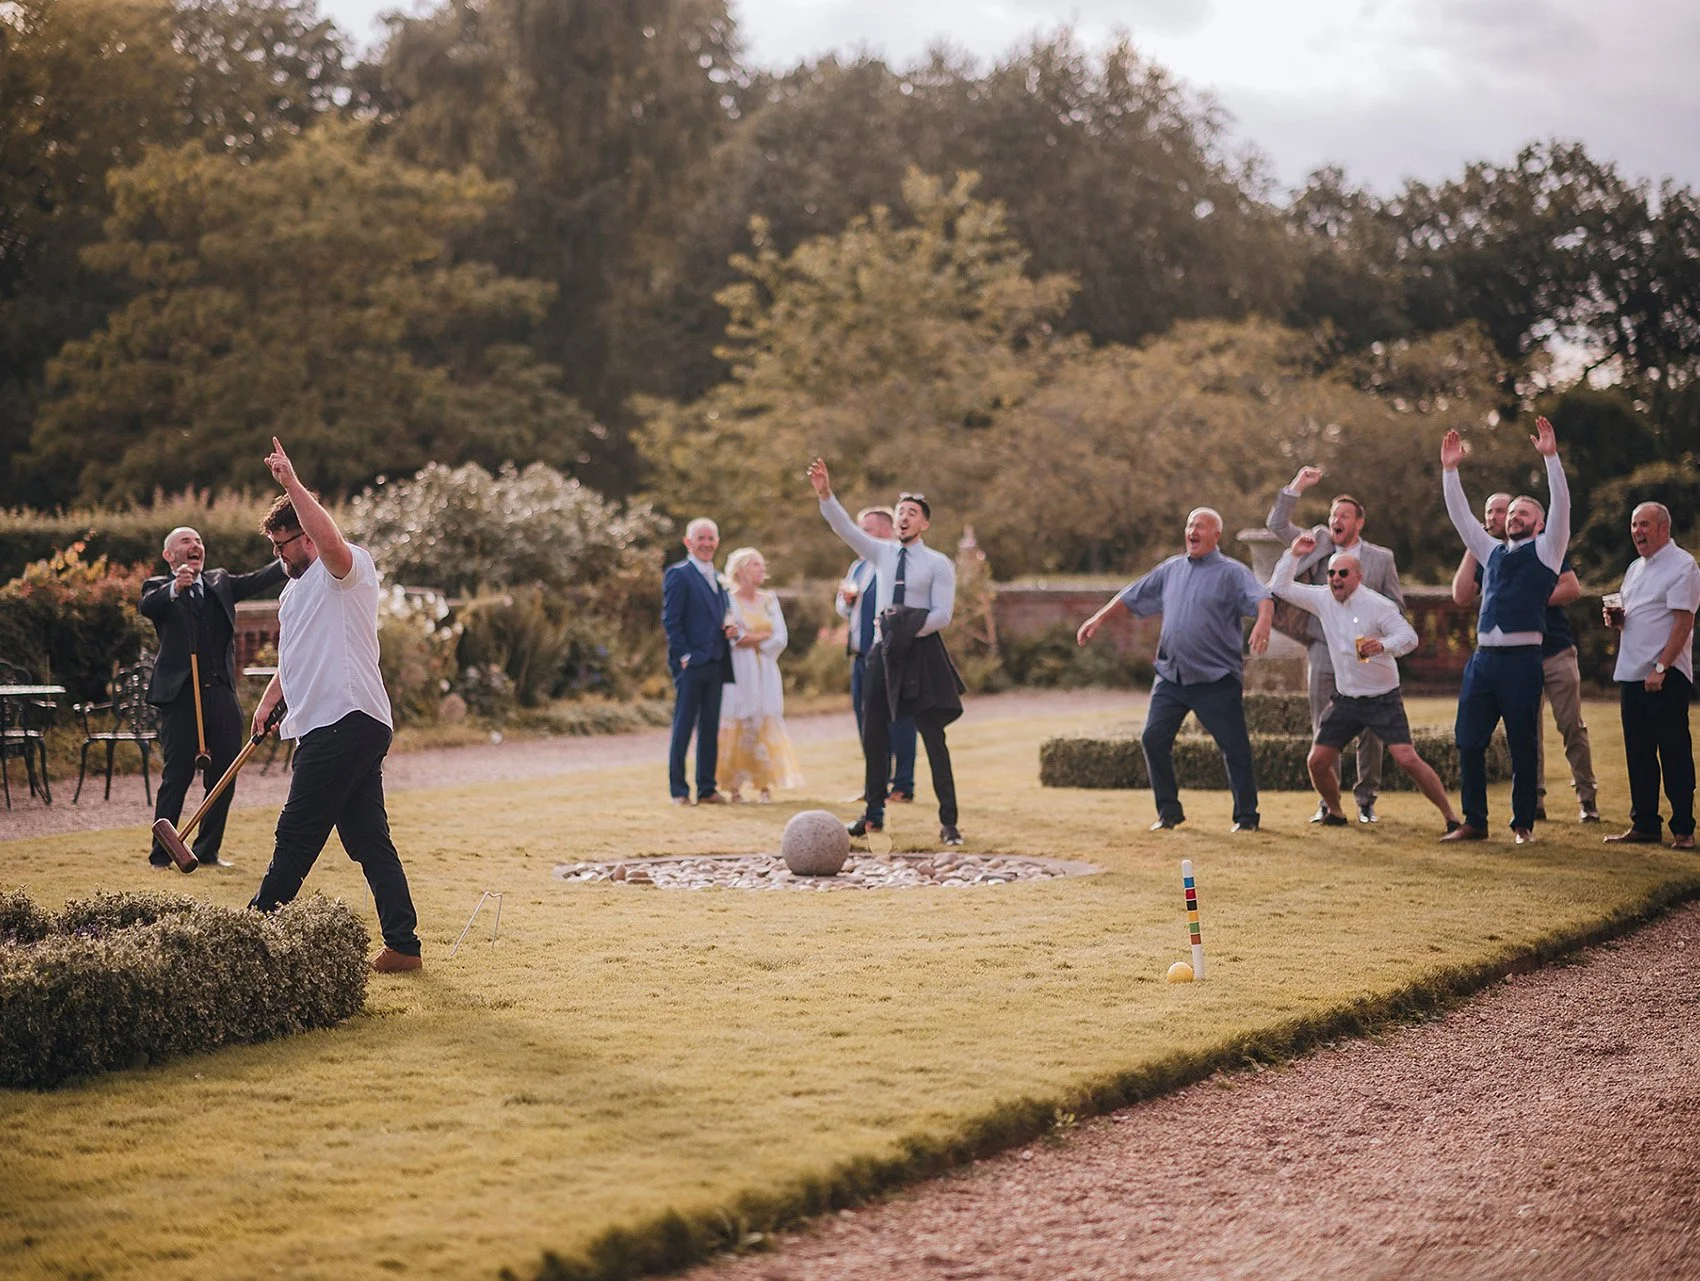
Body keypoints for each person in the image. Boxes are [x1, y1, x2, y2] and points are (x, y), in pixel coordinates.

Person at [247, 438, 422, 974]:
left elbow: (330, 542)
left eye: (287, 544)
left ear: (308, 532)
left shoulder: (345, 568)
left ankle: (249, 936)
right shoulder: (294, 591)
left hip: (344, 719)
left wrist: (292, 485)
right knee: (368, 838)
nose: (282, 556)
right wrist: (272, 698)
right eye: (275, 547)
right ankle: (403, 946)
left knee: (296, 833)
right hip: (333, 721)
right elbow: (298, 652)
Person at [1077, 508, 1274, 833]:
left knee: (1234, 747)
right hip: (1171, 676)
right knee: (1153, 738)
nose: (1192, 530)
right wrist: (1098, 619)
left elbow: (1263, 598)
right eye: (1189, 525)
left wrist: (1263, 625)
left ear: (1216, 536)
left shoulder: (1231, 572)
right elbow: (1132, 595)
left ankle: (1247, 817)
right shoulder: (1171, 569)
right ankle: (1169, 813)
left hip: (1215, 679)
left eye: (1201, 526)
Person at [807, 459, 965, 846]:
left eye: (912, 513)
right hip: (881, 655)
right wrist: (826, 493)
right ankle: (872, 814)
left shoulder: (938, 563)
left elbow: (942, 615)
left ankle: (949, 823)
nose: (904, 518)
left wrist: (904, 630)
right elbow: (842, 526)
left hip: (920, 654)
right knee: (874, 733)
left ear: (924, 523)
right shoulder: (880, 553)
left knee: (933, 737)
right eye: (900, 513)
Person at [1273, 533, 1464, 835]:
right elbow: (1280, 587)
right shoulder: (1322, 598)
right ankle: (1335, 811)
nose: (1335, 578)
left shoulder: (1379, 606)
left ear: (1358, 577)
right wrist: (1293, 554)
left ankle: (1452, 818)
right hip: (1346, 700)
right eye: (1332, 573)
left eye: (1343, 573)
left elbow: (1410, 638)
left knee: (1407, 759)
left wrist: (1384, 646)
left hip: (1382, 698)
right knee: (1317, 762)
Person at [1439, 416, 1569, 845]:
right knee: (1468, 740)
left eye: (1523, 513)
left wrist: (1551, 459)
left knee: (1522, 743)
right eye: (1511, 512)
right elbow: (1460, 517)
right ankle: (1475, 821)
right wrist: (1450, 470)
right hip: (1484, 661)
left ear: (1540, 522)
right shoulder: (1490, 550)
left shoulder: (1549, 551)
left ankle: (1522, 824)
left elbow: (1562, 504)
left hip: (1522, 661)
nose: (1513, 517)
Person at [1266, 468, 1405, 824]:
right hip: (1323, 647)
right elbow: (1277, 524)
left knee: (1371, 732)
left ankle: (1366, 800)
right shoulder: (1320, 543)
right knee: (1324, 725)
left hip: (1365, 655)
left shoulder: (1380, 558)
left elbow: (1396, 605)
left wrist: (1382, 639)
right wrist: (1298, 484)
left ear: (1359, 521)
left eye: (1343, 515)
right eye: (1332, 515)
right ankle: (1329, 803)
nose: (1335, 520)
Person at [140, 527, 285, 868]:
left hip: (220, 692)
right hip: (180, 697)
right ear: (169, 555)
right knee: (176, 775)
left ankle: (207, 851)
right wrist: (176, 587)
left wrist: (295, 551)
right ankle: (162, 853)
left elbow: (260, 578)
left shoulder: (220, 581)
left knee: (224, 772)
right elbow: (148, 605)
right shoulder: (157, 587)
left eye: (199, 541)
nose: (196, 546)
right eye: (186, 541)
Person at [1452, 491, 1599, 823]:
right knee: (1527, 733)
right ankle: (1534, 803)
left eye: (1503, 510)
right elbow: (1461, 595)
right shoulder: (1492, 555)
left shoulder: (1545, 549)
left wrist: (1529, 600)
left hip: (1554, 649)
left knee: (1570, 726)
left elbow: (1572, 588)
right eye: (1491, 512)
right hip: (1506, 660)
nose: (1497, 516)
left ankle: (1587, 798)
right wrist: (1472, 544)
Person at [1602, 502, 1700, 850]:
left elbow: (1684, 622)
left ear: (1664, 529)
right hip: (1631, 674)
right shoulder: (1634, 568)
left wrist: (1661, 668)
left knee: (1673, 752)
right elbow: (1639, 616)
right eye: (1633, 525)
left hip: (1664, 675)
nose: (1637, 532)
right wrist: (1618, 620)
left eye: (1644, 525)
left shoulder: (1682, 565)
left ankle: (1683, 830)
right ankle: (1644, 824)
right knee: (1639, 755)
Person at [835, 506, 919, 804]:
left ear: (886, 531)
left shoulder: (896, 563)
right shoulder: (857, 568)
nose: (861, 536)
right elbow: (844, 610)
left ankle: (903, 784)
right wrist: (845, 601)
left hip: (891, 656)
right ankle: (876, 784)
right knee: (867, 722)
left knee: (900, 719)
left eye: (866, 531)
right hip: (860, 656)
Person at [717, 547, 803, 802]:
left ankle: (766, 784)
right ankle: (734, 787)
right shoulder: (729, 600)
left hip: (766, 668)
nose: (762, 568)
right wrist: (757, 637)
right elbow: (733, 637)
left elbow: (780, 637)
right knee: (739, 716)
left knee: (767, 716)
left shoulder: (769, 599)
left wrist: (753, 639)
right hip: (740, 668)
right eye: (755, 564)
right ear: (741, 569)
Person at [662, 517, 738, 806]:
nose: (706, 544)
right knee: (683, 726)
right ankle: (679, 791)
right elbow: (671, 620)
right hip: (691, 663)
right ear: (688, 543)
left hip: (717, 661)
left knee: (710, 727)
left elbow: (721, 615)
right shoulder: (678, 574)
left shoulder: (719, 578)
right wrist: (684, 655)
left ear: (717, 542)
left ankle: (707, 788)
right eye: (701, 539)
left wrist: (731, 630)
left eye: (711, 538)